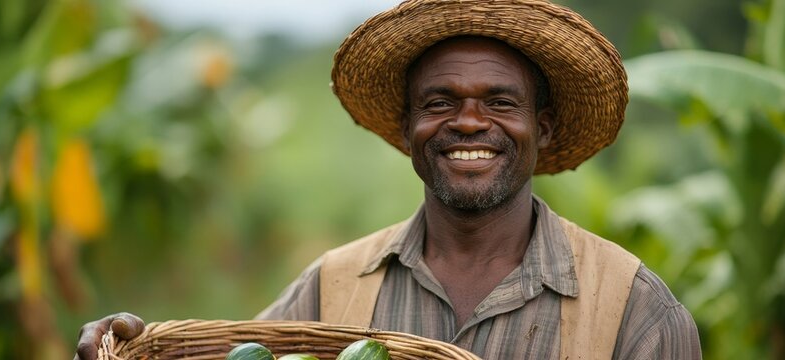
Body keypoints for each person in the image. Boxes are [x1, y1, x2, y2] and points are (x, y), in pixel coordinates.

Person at [76, 0, 702, 359]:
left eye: (501, 104)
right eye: (439, 103)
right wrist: (134, 343)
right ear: (406, 130)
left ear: (542, 128)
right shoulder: (330, 287)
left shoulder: (635, 313)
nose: (468, 123)